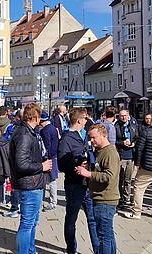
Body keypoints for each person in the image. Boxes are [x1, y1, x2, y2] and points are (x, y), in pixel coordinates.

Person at [9, 103, 52, 254]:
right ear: (35, 117)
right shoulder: (24, 134)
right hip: (30, 184)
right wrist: (42, 166)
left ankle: (30, 250)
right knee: (27, 223)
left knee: (33, 222)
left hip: (33, 183)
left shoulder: (27, 132)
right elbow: (21, 163)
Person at [58, 107, 99, 254]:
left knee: (93, 219)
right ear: (80, 120)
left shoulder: (85, 135)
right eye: (85, 119)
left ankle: (97, 249)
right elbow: (62, 164)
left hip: (88, 184)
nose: (87, 121)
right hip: (74, 185)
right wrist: (76, 165)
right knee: (71, 219)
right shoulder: (66, 139)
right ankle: (71, 249)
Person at [75, 124, 121, 254]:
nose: (91, 141)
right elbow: (99, 169)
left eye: (94, 138)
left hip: (105, 199)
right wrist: (87, 166)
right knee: (108, 235)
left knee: (103, 237)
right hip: (100, 197)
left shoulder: (110, 152)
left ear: (104, 135)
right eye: (90, 138)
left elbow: (109, 176)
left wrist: (88, 174)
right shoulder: (100, 151)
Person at [114, 109, 139, 211]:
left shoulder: (133, 125)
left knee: (128, 179)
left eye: (125, 115)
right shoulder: (116, 126)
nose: (123, 117)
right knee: (120, 179)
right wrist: (122, 143)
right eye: (121, 116)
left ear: (128, 115)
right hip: (121, 155)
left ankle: (126, 198)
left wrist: (134, 144)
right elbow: (114, 140)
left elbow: (137, 137)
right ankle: (119, 199)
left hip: (131, 156)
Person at [39, 111, 59, 211]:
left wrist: (45, 158)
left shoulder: (44, 131)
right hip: (54, 157)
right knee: (52, 181)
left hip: (48, 158)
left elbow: (46, 146)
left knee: (49, 181)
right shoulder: (53, 128)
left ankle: (51, 202)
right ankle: (53, 201)